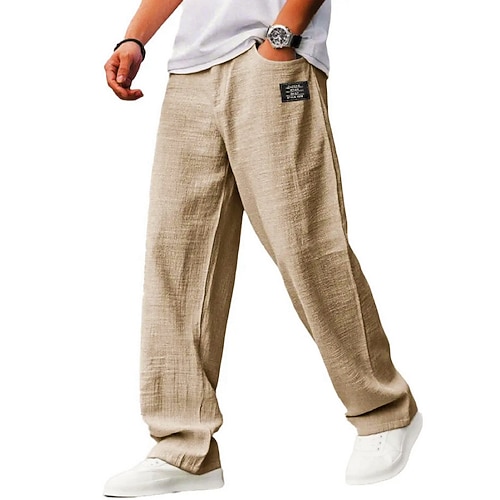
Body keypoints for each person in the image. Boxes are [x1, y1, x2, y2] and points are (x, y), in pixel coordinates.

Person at [103, 0, 422, 496]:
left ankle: (384, 410)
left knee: (305, 244)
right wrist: (135, 38)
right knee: (177, 259)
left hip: (271, 57)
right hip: (190, 70)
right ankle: (183, 447)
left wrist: (282, 37)